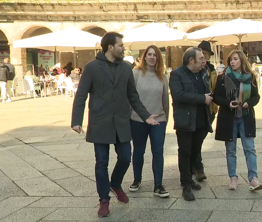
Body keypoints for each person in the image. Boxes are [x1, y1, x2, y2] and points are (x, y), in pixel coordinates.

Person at [71, 32, 159, 217]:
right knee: (101, 162)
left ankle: (115, 183)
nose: (123, 48)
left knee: (126, 157)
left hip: (121, 122)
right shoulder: (92, 67)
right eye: (120, 45)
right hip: (100, 122)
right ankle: (104, 199)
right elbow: (81, 95)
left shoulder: (126, 68)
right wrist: (76, 121)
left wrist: (146, 116)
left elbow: (133, 96)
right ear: (110, 47)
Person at [213, 50, 262, 191]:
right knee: (231, 150)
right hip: (229, 118)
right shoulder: (223, 77)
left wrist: (249, 103)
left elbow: (256, 96)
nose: (232, 62)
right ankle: (233, 177)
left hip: (245, 117)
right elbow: (217, 97)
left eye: (235, 59)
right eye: (230, 60)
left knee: (250, 148)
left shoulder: (250, 77)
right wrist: (228, 103)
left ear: (241, 60)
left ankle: (253, 178)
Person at [169, 47, 213, 201]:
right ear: (191, 60)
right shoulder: (177, 74)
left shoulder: (202, 74)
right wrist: (202, 98)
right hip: (185, 121)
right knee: (185, 152)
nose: (204, 60)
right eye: (201, 58)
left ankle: (190, 178)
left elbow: (208, 92)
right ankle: (186, 183)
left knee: (195, 151)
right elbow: (179, 95)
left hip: (201, 120)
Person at [128, 45, 170, 198]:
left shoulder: (163, 76)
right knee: (138, 151)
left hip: (158, 119)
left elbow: (165, 100)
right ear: (144, 57)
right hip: (138, 119)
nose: (152, 57)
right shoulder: (136, 74)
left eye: (155, 55)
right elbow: (130, 98)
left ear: (159, 58)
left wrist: (165, 118)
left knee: (158, 152)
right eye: (149, 54)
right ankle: (137, 179)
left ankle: (158, 185)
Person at [192, 40, 218, 182]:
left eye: (206, 55)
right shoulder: (192, 70)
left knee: (199, 140)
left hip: (209, 110)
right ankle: (197, 167)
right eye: (202, 54)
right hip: (195, 109)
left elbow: (216, 89)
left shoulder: (212, 70)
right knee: (195, 140)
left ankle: (194, 166)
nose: (204, 57)